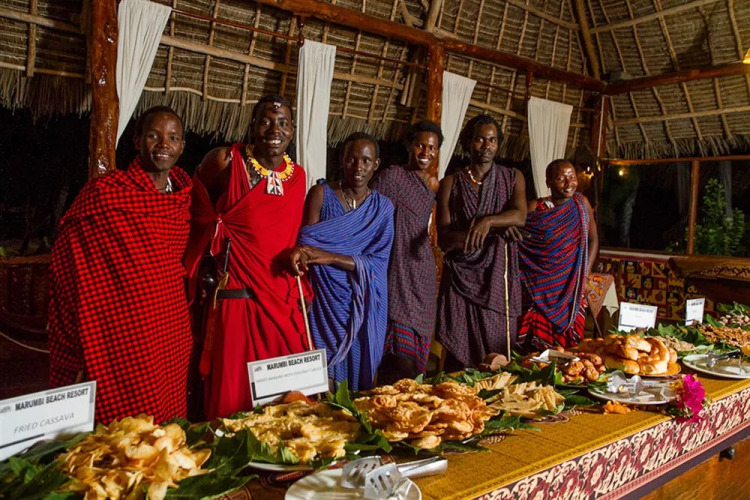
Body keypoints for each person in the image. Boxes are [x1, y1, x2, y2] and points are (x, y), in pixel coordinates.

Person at [49, 106, 193, 424]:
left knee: (168, 410)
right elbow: (69, 252)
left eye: (173, 138)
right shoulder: (107, 193)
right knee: (127, 411)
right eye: (154, 135)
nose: (164, 144)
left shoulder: (182, 199)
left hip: (170, 322)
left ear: (182, 146)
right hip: (119, 323)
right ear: (137, 140)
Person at [185, 95, 310, 419]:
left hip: (282, 298)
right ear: (252, 125)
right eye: (266, 121)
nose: (274, 129)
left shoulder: (298, 177)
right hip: (237, 295)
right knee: (234, 397)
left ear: (292, 130)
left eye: (282, 123)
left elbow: (292, 233)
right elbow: (196, 210)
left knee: (287, 399)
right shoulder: (225, 162)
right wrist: (212, 244)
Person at [290, 132, 394, 391]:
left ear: (376, 164)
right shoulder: (321, 194)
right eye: (352, 159)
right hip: (324, 301)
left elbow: (379, 262)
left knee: (355, 385)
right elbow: (306, 248)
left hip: (361, 301)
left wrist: (332, 257)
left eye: (366, 161)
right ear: (341, 160)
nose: (358, 167)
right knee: (321, 379)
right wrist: (308, 256)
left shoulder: (383, 208)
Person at [435, 114, 527, 370]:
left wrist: (488, 221)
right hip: (460, 279)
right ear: (468, 143)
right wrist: (496, 228)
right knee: (457, 357)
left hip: (498, 277)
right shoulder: (450, 183)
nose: (486, 146)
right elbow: (445, 238)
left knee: (498, 356)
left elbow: (520, 216)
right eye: (480, 140)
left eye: (492, 140)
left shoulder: (512, 178)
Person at [371, 120, 442, 383]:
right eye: (421, 145)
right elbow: (371, 214)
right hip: (396, 268)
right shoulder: (391, 177)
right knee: (397, 357)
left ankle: (410, 401)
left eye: (432, 148)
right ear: (409, 145)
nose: (426, 152)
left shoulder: (433, 184)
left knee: (418, 355)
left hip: (422, 273)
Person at [517, 159, 599, 350]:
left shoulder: (581, 204)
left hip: (571, 284)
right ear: (549, 182)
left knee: (569, 349)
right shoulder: (534, 208)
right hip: (538, 286)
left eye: (572, 177)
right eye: (561, 178)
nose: (569, 183)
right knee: (533, 349)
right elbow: (518, 241)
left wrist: (584, 277)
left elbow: (593, 239)